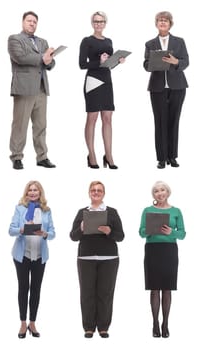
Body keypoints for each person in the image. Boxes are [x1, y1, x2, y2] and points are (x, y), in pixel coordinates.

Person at [70, 181, 124, 338]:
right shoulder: (82, 212)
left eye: (99, 190)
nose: (96, 192)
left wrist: (109, 231)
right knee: (87, 293)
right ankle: (88, 327)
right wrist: (80, 228)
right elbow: (73, 236)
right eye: (93, 190)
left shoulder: (112, 212)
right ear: (89, 193)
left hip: (109, 257)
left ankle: (103, 327)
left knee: (105, 293)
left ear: (103, 193)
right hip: (86, 257)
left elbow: (120, 236)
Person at [8, 11, 56, 170]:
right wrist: (43, 58)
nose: (32, 24)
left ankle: (42, 157)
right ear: (23, 22)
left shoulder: (43, 42)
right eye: (29, 21)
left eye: (35, 22)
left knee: (41, 125)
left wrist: (49, 61)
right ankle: (16, 157)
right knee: (20, 124)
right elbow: (20, 58)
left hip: (41, 88)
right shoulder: (15, 39)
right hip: (24, 88)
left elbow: (50, 63)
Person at [8, 180, 55, 338]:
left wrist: (45, 234)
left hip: (40, 256)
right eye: (30, 190)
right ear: (26, 193)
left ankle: (32, 322)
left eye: (36, 190)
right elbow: (11, 230)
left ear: (40, 193)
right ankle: (22, 323)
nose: (33, 193)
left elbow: (53, 233)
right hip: (22, 255)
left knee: (36, 289)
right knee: (23, 288)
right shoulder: (20, 209)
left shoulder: (46, 211)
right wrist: (21, 229)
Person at [138, 181, 185, 338]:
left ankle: (165, 323)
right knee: (154, 288)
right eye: (156, 191)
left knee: (167, 288)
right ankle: (155, 323)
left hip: (169, 251)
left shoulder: (176, 211)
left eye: (162, 190)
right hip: (152, 250)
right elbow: (141, 232)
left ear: (168, 192)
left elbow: (183, 233)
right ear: (154, 195)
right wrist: (150, 230)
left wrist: (172, 232)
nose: (160, 193)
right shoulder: (147, 210)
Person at [79, 11, 125, 169]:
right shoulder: (87, 41)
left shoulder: (109, 41)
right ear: (92, 23)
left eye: (101, 21)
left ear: (105, 23)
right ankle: (91, 154)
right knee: (92, 118)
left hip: (106, 80)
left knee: (107, 118)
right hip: (93, 81)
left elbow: (109, 64)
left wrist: (118, 61)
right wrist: (98, 61)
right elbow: (82, 64)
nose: (99, 24)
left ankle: (109, 155)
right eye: (96, 21)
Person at [143, 11, 188, 169]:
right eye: (160, 20)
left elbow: (186, 62)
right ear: (156, 23)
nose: (162, 22)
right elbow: (146, 65)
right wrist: (152, 64)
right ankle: (161, 158)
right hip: (158, 87)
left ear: (170, 24)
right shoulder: (150, 43)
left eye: (165, 20)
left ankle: (172, 157)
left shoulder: (179, 42)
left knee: (174, 121)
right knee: (160, 122)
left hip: (177, 86)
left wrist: (176, 62)